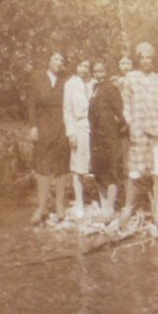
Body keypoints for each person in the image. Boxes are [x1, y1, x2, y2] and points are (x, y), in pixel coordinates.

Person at [123, 41, 158, 232]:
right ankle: (127, 209)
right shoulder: (130, 78)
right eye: (142, 57)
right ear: (138, 59)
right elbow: (126, 105)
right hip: (139, 129)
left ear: (153, 60)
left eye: (149, 57)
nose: (146, 61)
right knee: (135, 171)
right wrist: (131, 125)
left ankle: (157, 216)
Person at [27, 51, 69, 224]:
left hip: (62, 126)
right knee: (42, 166)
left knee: (61, 166)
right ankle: (41, 207)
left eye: (61, 59)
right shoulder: (38, 78)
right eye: (55, 59)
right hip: (43, 126)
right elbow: (31, 104)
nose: (58, 62)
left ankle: (59, 206)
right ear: (49, 61)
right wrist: (33, 126)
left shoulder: (67, 80)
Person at [89, 61, 129, 217]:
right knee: (99, 170)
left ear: (106, 72)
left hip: (109, 136)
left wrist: (118, 129)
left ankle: (110, 207)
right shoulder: (94, 89)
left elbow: (120, 113)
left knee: (111, 169)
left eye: (101, 72)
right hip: (96, 137)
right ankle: (104, 204)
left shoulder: (111, 89)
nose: (99, 75)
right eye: (96, 72)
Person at [62, 58, 94, 218]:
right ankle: (79, 202)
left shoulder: (94, 83)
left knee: (94, 165)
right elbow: (67, 110)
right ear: (76, 66)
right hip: (79, 126)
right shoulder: (71, 84)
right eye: (81, 65)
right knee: (78, 167)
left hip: (94, 127)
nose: (83, 69)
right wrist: (71, 133)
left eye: (87, 66)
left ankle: (100, 200)